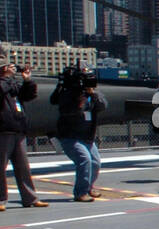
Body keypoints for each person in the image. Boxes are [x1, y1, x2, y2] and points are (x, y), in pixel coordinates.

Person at [53, 65, 105, 202]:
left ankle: (88, 187)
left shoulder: (92, 94)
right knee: (84, 160)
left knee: (95, 162)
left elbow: (103, 106)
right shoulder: (68, 94)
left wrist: (92, 94)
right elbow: (69, 111)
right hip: (71, 136)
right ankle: (80, 192)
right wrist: (79, 97)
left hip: (87, 137)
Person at [0, 63, 48, 210]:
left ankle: (30, 198)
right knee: (1, 167)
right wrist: (6, 78)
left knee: (23, 167)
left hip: (18, 129)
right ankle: (1, 200)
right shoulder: (4, 83)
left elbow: (29, 96)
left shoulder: (12, 84)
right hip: (3, 130)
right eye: (9, 66)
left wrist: (27, 81)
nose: (13, 69)